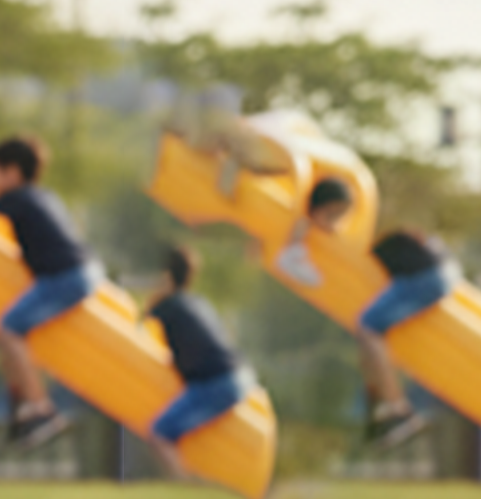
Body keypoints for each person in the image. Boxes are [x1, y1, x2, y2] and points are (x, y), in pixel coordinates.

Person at [278, 177, 458, 445]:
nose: (333, 224)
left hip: (424, 276)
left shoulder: (355, 232)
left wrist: (297, 236)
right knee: (368, 335)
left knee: (368, 327)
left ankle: (397, 408)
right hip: (439, 271)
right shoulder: (369, 220)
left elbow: (311, 253)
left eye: (336, 215)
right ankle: (378, 406)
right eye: (331, 215)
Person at [0, 133, 102, 447]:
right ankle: (21, 406)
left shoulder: (15, 198)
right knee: (12, 337)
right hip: (83, 270)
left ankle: (41, 408)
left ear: (13, 173)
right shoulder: (39, 196)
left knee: (8, 330)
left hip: (66, 276)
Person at [143, 244, 261, 480]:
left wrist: (157, 294)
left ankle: (183, 486)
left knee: (160, 432)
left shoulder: (167, 307)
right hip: (241, 375)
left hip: (217, 382)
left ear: (166, 276)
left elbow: (140, 328)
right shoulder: (197, 302)